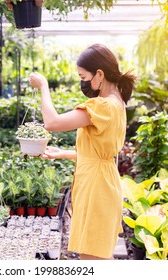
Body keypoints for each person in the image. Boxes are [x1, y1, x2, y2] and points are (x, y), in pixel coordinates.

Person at [29, 44, 137, 260]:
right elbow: (101, 154)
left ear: (99, 74)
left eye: (83, 76)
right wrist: (64, 153)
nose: (82, 82)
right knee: (97, 257)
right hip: (103, 183)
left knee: (93, 260)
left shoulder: (102, 106)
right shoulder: (117, 104)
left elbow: (52, 122)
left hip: (97, 189)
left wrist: (43, 86)